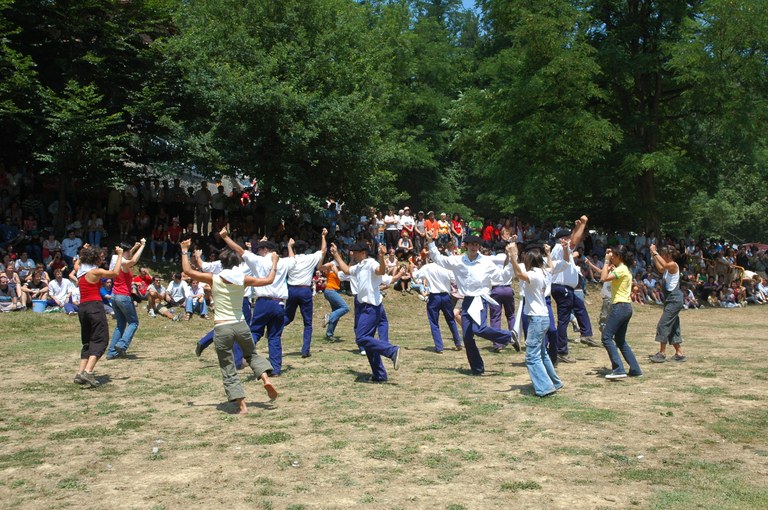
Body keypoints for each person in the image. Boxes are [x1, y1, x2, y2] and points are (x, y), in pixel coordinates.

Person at [180, 238, 279, 413]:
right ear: (237, 262)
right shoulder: (243, 279)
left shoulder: (214, 278)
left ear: (222, 263)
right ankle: (265, 379)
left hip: (222, 326)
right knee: (251, 355)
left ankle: (242, 405)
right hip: (240, 324)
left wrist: (184, 250)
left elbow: (187, 270)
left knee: (227, 366)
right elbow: (269, 280)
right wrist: (274, 263)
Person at [426, 231, 520, 375]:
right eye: (472, 244)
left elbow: (501, 276)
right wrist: (431, 241)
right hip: (467, 299)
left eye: (477, 245)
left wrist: (513, 258)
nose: (474, 247)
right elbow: (438, 259)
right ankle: (477, 368)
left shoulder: (486, 261)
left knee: (479, 329)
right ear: (466, 245)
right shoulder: (458, 260)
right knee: (467, 336)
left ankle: (509, 337)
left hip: (480, 299)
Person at [330, 242, 403, 382]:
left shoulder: (370, 263)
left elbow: (381, 271)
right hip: (367, 306)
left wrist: (382, 256)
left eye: (355, 252)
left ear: (363, 253)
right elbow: (346, 270)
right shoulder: (359, 267)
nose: (353, 254)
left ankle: (392, 351)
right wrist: (336, 255)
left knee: (361, 338)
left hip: (370, 307)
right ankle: (379, 375)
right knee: (368, 342)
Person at [508, 241, 563, 396]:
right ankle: (554, 382)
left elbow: (519, 274)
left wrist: (513, 256)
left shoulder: (533, 275)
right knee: (542, 353)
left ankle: (545, 388)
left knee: (531, 356)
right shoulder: (545, 272)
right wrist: (549, 253)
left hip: (536, 318)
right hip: (544, 316)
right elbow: (551, 266)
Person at [73, 245, 124, 388]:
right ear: (94, 258)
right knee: (100, 339)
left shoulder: (80, 270)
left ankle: (80, 372)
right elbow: (114, 273)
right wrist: (120, 255)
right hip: (94, 307)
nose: (101, 259)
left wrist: (82, 250)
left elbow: (76, 262)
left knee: (88, 340)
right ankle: (88, 372)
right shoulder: (95, 272)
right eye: (99, 257)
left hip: (82, 308)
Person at [550, 216, 599, 365]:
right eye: (567, 237)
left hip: (565, 288)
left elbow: (574, 239)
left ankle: (586, 334)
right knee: (564, 320)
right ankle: (561, 351)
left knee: (580, 307)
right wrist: (583, 224)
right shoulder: (560, 247)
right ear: (562, 239)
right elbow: (575, 241)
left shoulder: (562, 249)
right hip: (561, 287)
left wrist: (577, 227)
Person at [599, 246, 643, 380]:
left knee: (606, 337)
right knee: (620, 340)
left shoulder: (621, 269)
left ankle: (618, 369)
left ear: (620, 257)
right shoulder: (623, 269)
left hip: (620, 306)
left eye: (614, 255)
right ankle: (635, 369)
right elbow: (604, 274)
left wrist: (606, 261)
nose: (612, 257)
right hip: (625, 307)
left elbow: (603, 278)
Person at [283, 229, 328, 358]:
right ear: (306, 249)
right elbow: (323, 250)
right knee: (307, 322)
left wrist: (288, 246)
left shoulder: (290, 260)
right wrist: (323, 236)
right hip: (304, 290)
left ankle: (275, 330)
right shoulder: (310, 258)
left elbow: (291, 257)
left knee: (288, 317)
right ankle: (305, 350)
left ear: (295, 250)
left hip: (291, 290)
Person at [106, 240, 147, 360]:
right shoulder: (124, 263)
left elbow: (126, 256)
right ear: (125, 252)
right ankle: (121, 345)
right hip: (123, 296)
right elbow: (133, 260)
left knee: (121, 324)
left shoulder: (115, 259)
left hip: (114, 296)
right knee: (133, 323)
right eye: (129, 251)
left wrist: (134, 247)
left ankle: (112, 352)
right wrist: (142, 246)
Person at [411, 257, 462, 353]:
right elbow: (454, 280)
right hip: (446, 296)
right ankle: (458, 342)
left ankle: (439, 347)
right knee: (451, 320)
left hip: (434, 296)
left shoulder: (428, 267)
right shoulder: (447, 267)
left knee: (434, 322)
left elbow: (415, 276)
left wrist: (411, 269)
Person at [648, 244, 686, 363]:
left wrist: (655, 252)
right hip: (670, 299)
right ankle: (679, 353)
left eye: (664, 254)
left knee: (663, 324)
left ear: (669, 255)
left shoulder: (673, 265)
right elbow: (660, 268)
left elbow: (664, 265)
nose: (662, 255)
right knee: (673, 326)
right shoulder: (667, 268)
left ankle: (662, 353)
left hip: (674, 299)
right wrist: (654, 256)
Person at [320, 259, 350, 339]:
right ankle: (329, 317)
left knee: (337, 313)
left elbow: (348, 270)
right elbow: (322, 267)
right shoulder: (331, 267)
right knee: (345, 307)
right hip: (330, 291)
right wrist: (328, 263)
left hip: (333, 291)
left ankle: (329, 334)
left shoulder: (339, 270)